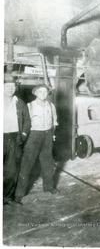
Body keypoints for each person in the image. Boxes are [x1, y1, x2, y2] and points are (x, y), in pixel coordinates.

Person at [14, 84, 59, 205]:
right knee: (26, 164)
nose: (43, 94)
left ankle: (48, 187)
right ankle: (19, 194)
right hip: (34, 136)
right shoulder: (29, 106)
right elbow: (24, 123)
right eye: (40, 92)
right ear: (35, 93)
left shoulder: (51, 105)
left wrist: (52, 134)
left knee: (48, 162)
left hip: (47, 135)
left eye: (45, 92)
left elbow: (54, 121)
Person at [3, 74, 31, 205]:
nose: (9, 89)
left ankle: (7, 197)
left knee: (12, 172)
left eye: (12, 86)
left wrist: (24, 135)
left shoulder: (19, 103)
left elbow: (27, 121)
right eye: (6, 86)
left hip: (14, 139)